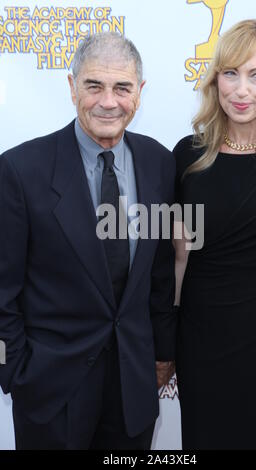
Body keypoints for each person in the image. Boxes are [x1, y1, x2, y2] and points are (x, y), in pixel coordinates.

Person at [0, 32, 176, 450]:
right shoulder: (20, 170)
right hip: (50, 395)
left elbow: (160, 273)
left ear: (140, 92)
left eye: (122, 88)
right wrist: (14, 373)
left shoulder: (160, 162)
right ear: (71, 86)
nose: (108, 101)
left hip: (133, 396)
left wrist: (163, 357)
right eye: (94, 85)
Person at [173, 19, 256, 449]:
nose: (241, 90)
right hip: (202, 348)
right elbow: (176, 260)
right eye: (230, 74)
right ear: (215, 80)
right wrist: (165, 343)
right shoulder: (187, 156)